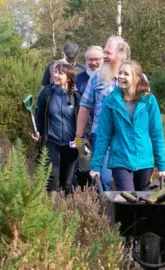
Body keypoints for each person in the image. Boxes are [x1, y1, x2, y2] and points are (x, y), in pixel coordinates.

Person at [89, 60, 165, 191]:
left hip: (144, 160)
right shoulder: (111, 101)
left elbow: (157, 134)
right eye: (120, 73)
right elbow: (103, 135)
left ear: (137, 78)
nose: (120, 76)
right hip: (120, 159)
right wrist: (96, 166)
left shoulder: (149, 101)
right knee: (128, 200)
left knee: (143, 202)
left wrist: (162, 166)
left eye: (126, 74)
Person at [75, 35, 131, 191]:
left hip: (128, 138)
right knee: (102, 179)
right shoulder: (96, 78)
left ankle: (124, 211)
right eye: (104, 52)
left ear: (120, 54)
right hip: (101, 137)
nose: (103, 56)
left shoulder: (137, 77)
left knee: (127, 182)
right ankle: (104, 213)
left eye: (107, 53)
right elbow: (85, 106)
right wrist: (78, 138)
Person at [33, 62, 80, 195]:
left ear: (69, 77)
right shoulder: (47, 93)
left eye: (60, 73)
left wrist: (81, 141)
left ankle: (68, 212)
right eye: (55, 72)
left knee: (68, 181)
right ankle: (51, 210)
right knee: (52, 178)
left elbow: (85, 124)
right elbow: (39, 116)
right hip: (51, 141)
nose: (55, 75)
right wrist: (37, 132)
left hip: (72, 144)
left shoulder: (78, 96)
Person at [73, 45, 104, 190]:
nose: (93, 63)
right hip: (81, 133)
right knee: (83, 167)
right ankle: (84, 197)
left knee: (102, 171)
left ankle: (100, 201)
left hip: (101, 132)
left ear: (103, 59)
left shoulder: (109, 79)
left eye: (97, 59)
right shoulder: (77, 79)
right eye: (90, 59)